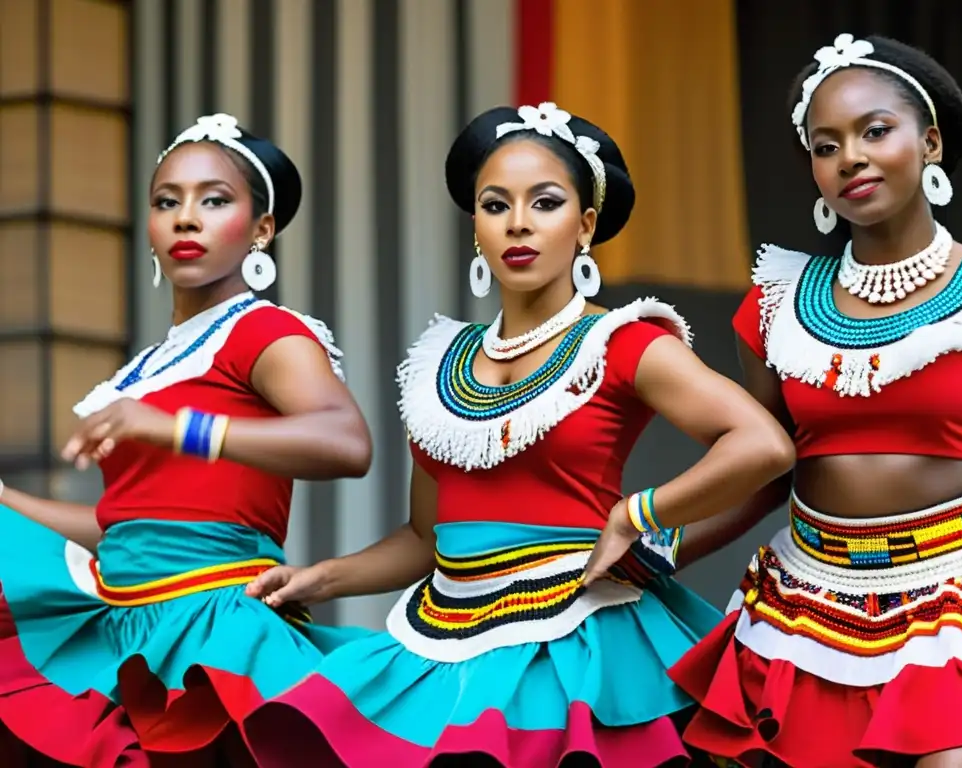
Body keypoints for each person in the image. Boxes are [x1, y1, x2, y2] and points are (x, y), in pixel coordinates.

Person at [238, 102, 795, 767]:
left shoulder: (620, 343)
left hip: (577, 639)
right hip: (447, 639)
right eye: (495, 205)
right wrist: (323, 578)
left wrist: (639, 517)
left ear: (586, 225)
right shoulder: (440, 364)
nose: (519, 223)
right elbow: (425, 539)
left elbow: (763, 446)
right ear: (475, 227)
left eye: (546, 202)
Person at [669, 33, 962, 768]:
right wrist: (655, 547)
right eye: (824, 146)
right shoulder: (775, 307)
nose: (850, 158)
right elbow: (765, 471)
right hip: (805, 610)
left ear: (928, 143)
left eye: (874, 131)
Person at [0, 113, 373, 767]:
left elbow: (346, 442)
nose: (185, 217)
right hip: (124, 618)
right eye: (166, 201)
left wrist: (180, 428)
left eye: (214, 200)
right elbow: (125, 528)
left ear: (261, 229)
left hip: (210, 630)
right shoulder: (149, 370)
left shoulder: (265, 332)